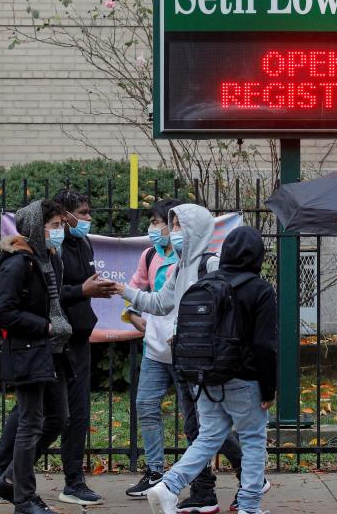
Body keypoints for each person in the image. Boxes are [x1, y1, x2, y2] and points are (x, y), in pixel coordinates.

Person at [114, 204, 245, 514]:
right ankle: (204, 491)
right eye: (171, 225)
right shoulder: (179, 268)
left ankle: (249, 478)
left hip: (204, 360)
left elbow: (229, 311)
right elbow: (160, 303)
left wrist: (200, 338)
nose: (171, 232)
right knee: (195, 427)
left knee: (209, 427)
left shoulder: (211, 265)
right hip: (184, 358)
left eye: (176, 226)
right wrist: (124, 291)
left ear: (194, 229)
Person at [145, 226, 278, 514]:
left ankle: (168, 486)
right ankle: (249, 507)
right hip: (245, 379)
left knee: (207, 438)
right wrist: (269, 389)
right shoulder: (260, 289)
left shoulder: (206, 283)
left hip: (206, 377)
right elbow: (265, 345)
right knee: (253, 441)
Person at [0, 200, 73, 514]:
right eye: (54, 226)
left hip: (52, 350)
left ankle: (10, 480)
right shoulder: (18, 263)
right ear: (36, 227)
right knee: (30, 422)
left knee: (58, 418)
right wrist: (44, 326)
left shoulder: (49, 260)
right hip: (28, 351)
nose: (59, 232)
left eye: (61, 225)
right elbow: (4, 313)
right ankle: (24, 498)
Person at [46, 188, 116, 505]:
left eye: (89, 212)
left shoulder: (83, 242)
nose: (88, 218)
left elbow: (82, 286)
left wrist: (96, 288)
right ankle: (3, 470)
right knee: (43, 413)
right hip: (54, 340)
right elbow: (47, 295)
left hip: (79, 338)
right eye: (83, 213)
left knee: (78, 412)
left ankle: (73, 481)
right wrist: (81, 291)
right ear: (65, 215)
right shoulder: (52, 247)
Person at [124, 199, 184, 496]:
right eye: (152, 221)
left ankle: (199, 477)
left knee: (196, 418)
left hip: (186, 351)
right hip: (155, 349)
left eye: (156, 221)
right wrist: (133, 315)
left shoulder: (192, 258)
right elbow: (136, 289)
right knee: (146, 406)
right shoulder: (149, 255)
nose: (152, 227)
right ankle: (155, 472)